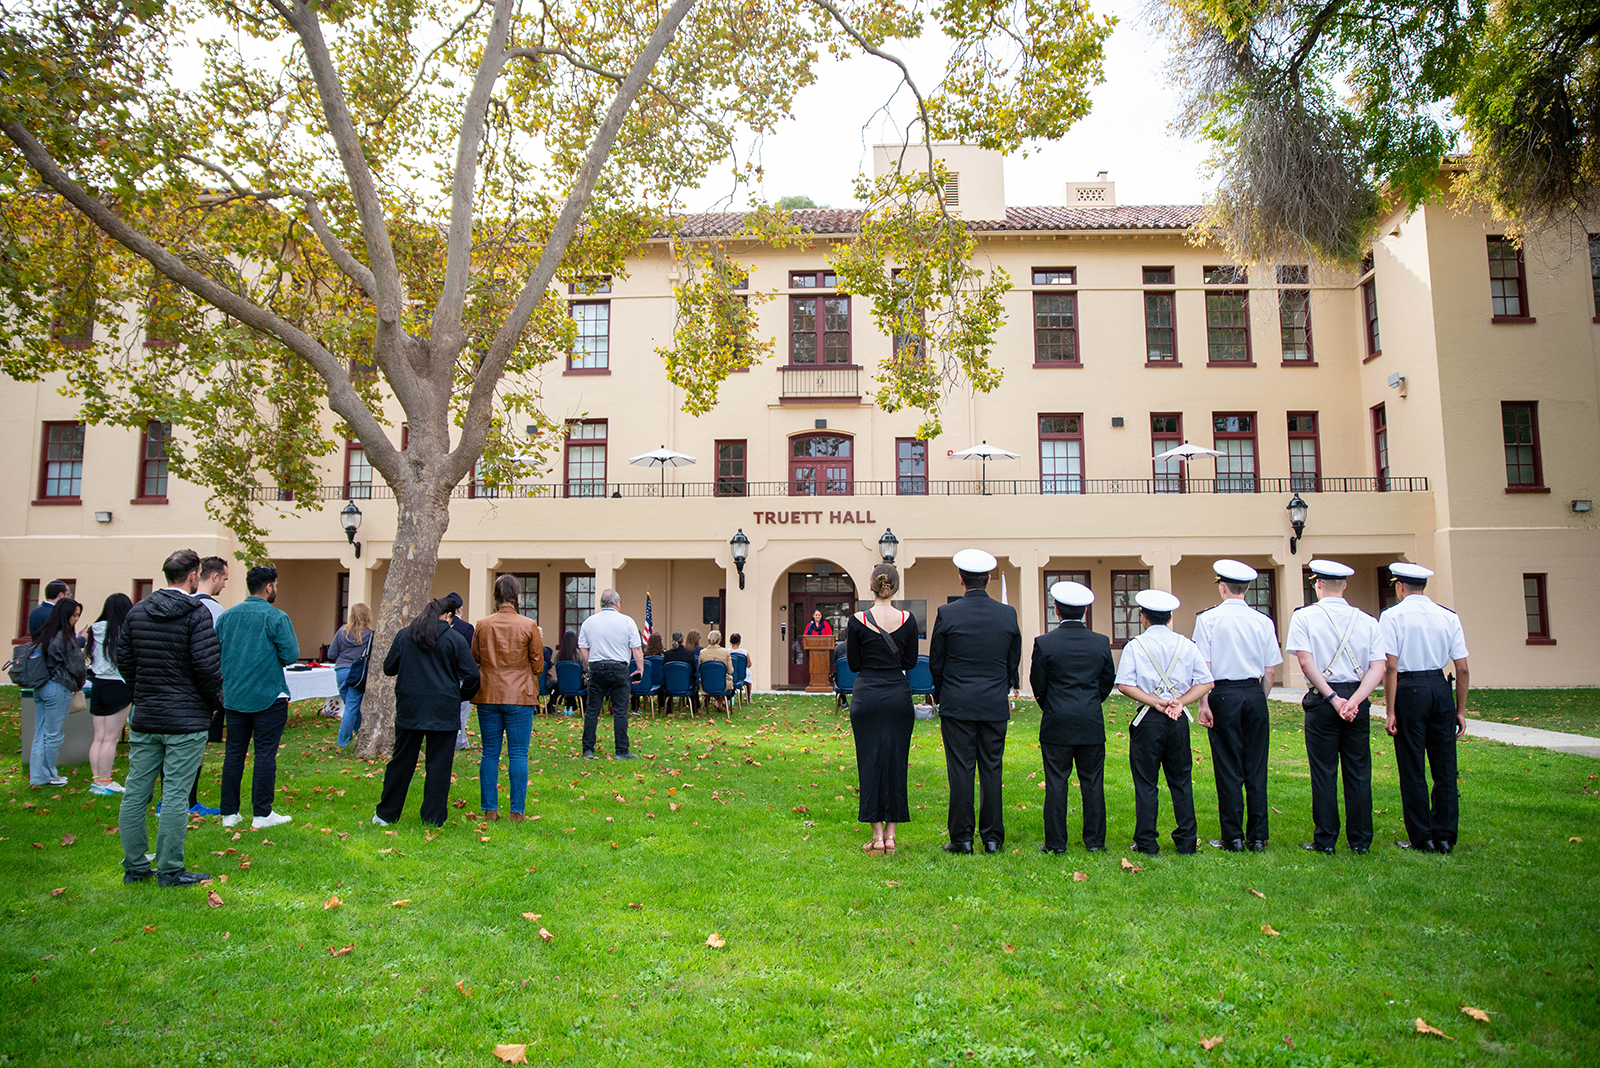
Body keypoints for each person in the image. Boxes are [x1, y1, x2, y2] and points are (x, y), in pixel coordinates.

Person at [116, 548, 224, 887]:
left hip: (148, 715)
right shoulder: (195, 614)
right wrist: (214, 702)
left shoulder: (138, 612)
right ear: (193, 576)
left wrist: (141, 694)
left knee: (136, 790)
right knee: (176, 794)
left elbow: (125, 661)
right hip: (185, 718)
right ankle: (169, 868)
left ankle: (135, 865)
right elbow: (207, 667)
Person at [1285, 559, 1385, 855]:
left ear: (1317, 584)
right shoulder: (1368, 620)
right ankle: (1361, 840)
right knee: (1358, 771)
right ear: (1345, 586)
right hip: (1357, 696)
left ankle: (1326, 839)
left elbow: (1305, 662)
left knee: (1324, 772)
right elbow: (1378, 666)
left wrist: (1332, 698)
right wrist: (1354, 701)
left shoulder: (1304, 618)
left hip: (1323, 698)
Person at [928, 548, 1021, 855]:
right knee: (992, 769)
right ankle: (993, 838)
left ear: (961, 580)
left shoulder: (947, 613)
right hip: (993, 702)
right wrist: (1004, 687)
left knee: (961, 770)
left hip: (958, 701)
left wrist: (942, 694)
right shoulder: (1007, 614)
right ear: (989, 580)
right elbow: (1012, 661)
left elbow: (937, 663)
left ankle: (962, 838)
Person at [1192, 560, 1283, 852]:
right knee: (1256, 766)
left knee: (1227, 766)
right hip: (1253, 692)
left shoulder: (1208, 619)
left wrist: (1204, 703)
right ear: (1246, 589)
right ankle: (1258, 836)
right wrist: (1260, 697)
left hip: (1222, 692)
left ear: (1222, 587)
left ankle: (1232, 836)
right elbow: (1270, 670)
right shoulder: (1263, 621)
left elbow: (1204, 667)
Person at [1379, 562, 1471, 854]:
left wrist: (1390, 709)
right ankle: (1445, 835)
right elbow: (1463, 668)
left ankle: (1422, 836)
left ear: (1400, 587)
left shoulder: (1392, 616)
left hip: (1409, 688)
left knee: (1413, 765)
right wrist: (1460, 709)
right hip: (1439, 687)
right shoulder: (1448, 616)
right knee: (1445, 766)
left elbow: (1391, 667)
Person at [1115, 589, 1214, 856]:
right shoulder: (1187, 645)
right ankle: (1186, 841)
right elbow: (1207, 682)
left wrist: (1153, 701)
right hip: (1178, 718)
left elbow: (1124, 685)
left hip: (1148, 719)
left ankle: (1146, 842)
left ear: (1143, 617)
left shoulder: (1135, 645)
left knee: (1146, 782)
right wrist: (1180, 701)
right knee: (1181, 780)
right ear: (1170, 617)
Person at [374, 598, 480, 826]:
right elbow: (472, 676)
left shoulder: (405, 635)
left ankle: (386, 814)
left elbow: (388, 667)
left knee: (401, 762)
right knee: (439, 765)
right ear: (449, 616)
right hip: (443, 710)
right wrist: (459, 696)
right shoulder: (455, 639)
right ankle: (433, 817)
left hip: (410, 708)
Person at [1029, 581, 1115, 854]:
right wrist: (1091, 703)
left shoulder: (1045, 643)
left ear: (1056, 610)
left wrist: (1051, 705)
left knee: (1056, 782)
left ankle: (1056, 843)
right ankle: (1095, 842)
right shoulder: (1100, 642)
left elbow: (1037, 684)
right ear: (1085, 611)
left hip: (1057, 720)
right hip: (1090, 719)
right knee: (1093, 782)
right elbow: (1106, 682)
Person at [215, 565, 299, 831]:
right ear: (269, 586)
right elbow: (291, 654)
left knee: (234, 754)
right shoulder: (276, 617)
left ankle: (229, 813)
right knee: (265, 754)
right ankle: (262, 813)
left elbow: (217, 652)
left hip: (234, 695)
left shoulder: (227, 618)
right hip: (268, 695)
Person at [847, 563, 919, 855]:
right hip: (898, 695)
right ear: (896, 587)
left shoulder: (857, 620)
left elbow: (853, 664)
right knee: (896, 762)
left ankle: (876, 836)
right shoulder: (908, 619)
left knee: (870, 763)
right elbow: (911, 662)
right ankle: (891, 835)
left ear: (871, 587)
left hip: (867, 695)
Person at [472, 575, 544, 822]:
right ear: (518, 597)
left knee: (489, 753)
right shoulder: (528, 625)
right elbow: (538, 663)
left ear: (495, 596)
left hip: (489, 693)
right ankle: (517, 812)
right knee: (518, 754)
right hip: (519, 696)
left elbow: (475, 658)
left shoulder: (482, 624)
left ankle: (489, 810)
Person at [182, 555, 230, 815]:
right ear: (214, 577)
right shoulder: (214, 611)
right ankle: (188, 801)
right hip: (199, 689)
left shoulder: (179, 604)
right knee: (195, 746)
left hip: (174, 685)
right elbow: (217, 651)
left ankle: (170, 800)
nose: (224, 584)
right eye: (224, 578)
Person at [577, 589, 644, 759]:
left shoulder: (589, 622)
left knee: (592, 709)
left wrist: (591, 663)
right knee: (620, 711)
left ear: (601, 604)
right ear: (618, 602)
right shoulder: (627, 621)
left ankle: (587, 749)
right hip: (619, 668)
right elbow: (636, 648)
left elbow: (582, 647)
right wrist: (640, 669)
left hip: (597, 667)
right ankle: (621, 750)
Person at [27, 598, 86, 788]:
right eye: (74, 615)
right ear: (65, 615)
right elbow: (77, 666)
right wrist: (79, 683)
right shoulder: (64, 638)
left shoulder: (44, 633)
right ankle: (49, 775)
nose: (76, 619)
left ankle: (38, 775)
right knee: (53, 734)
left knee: (41, 733)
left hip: (41, 686)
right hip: (58, 687)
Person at [86, 593, 134, 795]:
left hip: (98, 684)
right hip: (118, 685)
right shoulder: (125, 631)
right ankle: (105, 781)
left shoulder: (94, 629)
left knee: (99, 737)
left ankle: (97, 780)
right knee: (111, 738)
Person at [329, 602, 374, 747]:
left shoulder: (342, 631)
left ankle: (360, 733)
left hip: (341, 671)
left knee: (350, 705)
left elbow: (332, 653)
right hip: (357, 673)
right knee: (351, 707)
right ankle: (343, 741)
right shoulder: (370, 635)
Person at [444, 592, 476, 749]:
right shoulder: (467, 628)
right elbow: (471, 653)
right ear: (459, 609)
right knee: (462, 711)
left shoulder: (439, 629)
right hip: (460, 675)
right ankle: (460, 740)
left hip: (443, 674)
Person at [549, 628, 584, 715]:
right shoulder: (578, 654)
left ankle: (553, 705)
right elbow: (585, 669)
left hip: (562, 684)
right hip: (577, 684)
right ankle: (584, 708)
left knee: (559, 685)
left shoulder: (559, 655)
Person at [661, 631, 696, 714]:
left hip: (670, 684)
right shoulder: (689, 653)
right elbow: (693, 670)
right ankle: (694, 709)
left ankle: (668, 709)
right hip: (686, 684)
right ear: (683, 640)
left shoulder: (667, 654)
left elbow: (664, 670)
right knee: (695, 683)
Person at [699, 630, 733, 713]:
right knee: (729, 685)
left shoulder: (702, 653)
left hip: (706, 684)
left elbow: (699, 669)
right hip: (723, 684)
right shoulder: (725, 652)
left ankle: (716, 701)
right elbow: (730, 670)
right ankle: (720, 702)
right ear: (719, 640)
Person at [634, 633, 665, 711]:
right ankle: (662, 705)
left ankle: (635, 707)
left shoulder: (644, 656)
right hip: (660, 681)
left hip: (646, 680)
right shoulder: (664, 656)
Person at [729, 633, 752, 701]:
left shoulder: (727, 651)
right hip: (741, 673)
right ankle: (748, 696)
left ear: (730, 641)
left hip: (731, 673)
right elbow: (749, 664)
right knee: (748, 674)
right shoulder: (744, 652)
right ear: (740, 641)